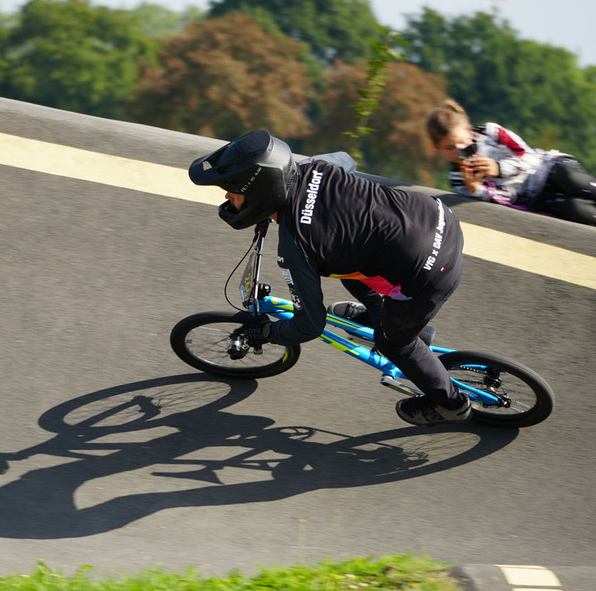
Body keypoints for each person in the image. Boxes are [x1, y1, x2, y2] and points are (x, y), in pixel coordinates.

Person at [188, 129, 471, 427]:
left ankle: (450, 404)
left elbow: (310, 325)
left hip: (431, 273)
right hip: (439, 219)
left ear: (261, 193)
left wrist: (265, 334)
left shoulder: (295, 246)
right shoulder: (315, 166)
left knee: (394, 345)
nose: (226, 196)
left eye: (233, 189)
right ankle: (384, 315)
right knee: (345, 262)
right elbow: (346, 160)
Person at [426, 99, 596, 242]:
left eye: (461, 142)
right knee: (581, 213)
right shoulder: (458, 180)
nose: (459, 150)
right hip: (536, 199)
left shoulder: (492, 132)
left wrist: (497, 168)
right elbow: (502, 202)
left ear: (469, 131)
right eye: (450, 148)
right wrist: (476, 189)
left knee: (571, 177)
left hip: (547, 170)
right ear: (437, 148)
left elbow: (529, 157)